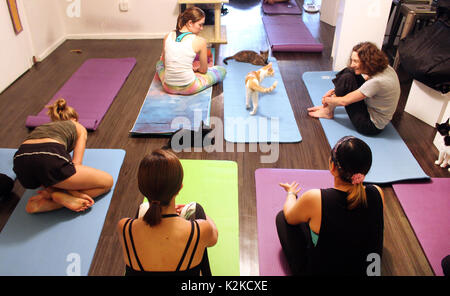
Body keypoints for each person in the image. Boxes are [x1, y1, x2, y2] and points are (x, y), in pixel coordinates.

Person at [276, 136, 385, 275]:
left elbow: (289, 216)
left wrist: (291, 194)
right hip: (369, 271)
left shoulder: (316, 198)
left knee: (282, 218)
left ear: (332, 166)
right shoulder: (377, 192)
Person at [117, 149, 218, 276]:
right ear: (179, 188)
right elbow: (213, 239)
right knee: (196, 208)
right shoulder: (201, 229)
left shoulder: (124, 227)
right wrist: (202, 215)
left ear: (141, 188)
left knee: (142, 209)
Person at [13, 98, 113, 213]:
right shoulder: (78, 126)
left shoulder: (43, 127)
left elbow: (36, 157)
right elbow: (76, 164)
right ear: (74, 118)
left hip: (21, 163)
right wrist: (74, 193)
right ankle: (58, 201)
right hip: (48, 157)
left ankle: (47, 195)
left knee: (48, 174)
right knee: (107, 182)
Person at [308, 42, 401, 136]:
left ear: (367, 62)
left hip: (370, 125)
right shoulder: (385, 68)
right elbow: (366, 81)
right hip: (374, 110)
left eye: (356, 61)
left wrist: (327, 100)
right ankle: (328, 109)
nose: (352, 64)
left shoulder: (377, 82)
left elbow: (344, 101)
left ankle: (328, 111)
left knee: (347, 78)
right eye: (352, 60)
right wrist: (334, 92)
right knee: (349, 71)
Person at [156, 6, 226, 95]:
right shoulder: (200, 41)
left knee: (159, 63)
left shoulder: (167, 36)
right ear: (190, 23)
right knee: (221, 70)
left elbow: (165, 64)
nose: (202, 28)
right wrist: (197, 70)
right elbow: (204, 70)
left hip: (168, 87)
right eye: (200, 25)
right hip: (190, 87)